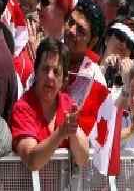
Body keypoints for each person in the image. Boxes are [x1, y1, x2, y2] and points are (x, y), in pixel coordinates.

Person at [10, 37, 89, 170]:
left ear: (64, 79)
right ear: (36, 71)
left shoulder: (68, 104)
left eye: (56, 72)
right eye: (45, 69)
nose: (50, 76)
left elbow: (82, 159)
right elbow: (32, 161)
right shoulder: (22, 108)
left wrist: (72, 131)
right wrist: (60, 134)